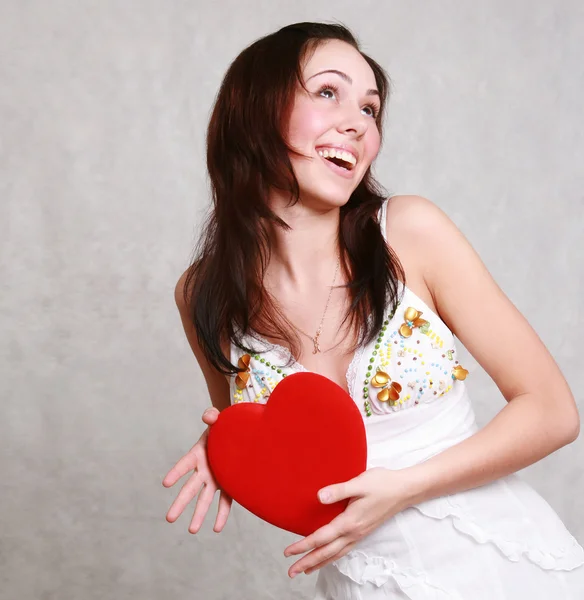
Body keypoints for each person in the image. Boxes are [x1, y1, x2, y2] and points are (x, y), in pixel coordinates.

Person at [162, 21, 584, 598]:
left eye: (370, 108)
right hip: (366, 585)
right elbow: (266, 438)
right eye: (328, 93)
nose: (357, 123)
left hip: (504, 570)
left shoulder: (409, 232)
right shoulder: (203, 296)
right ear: (255, 110)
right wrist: (229, 451)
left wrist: (405, 487)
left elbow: (553, 411)